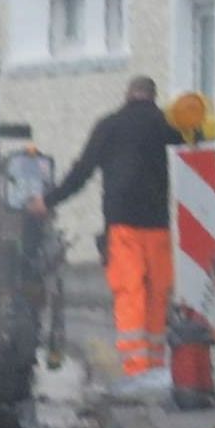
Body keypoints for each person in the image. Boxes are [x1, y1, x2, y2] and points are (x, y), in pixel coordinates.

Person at [48, 73, 181, 382]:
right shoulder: (162, 123)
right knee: (157, 292)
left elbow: (82, 172)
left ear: (127, 95)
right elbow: (195, 136)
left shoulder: (110, 125)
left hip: (122, 224)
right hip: (158, 225)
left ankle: (136, 370)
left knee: (130, 291)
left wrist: (50, 199)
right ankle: (157, 365)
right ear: (152, 95)